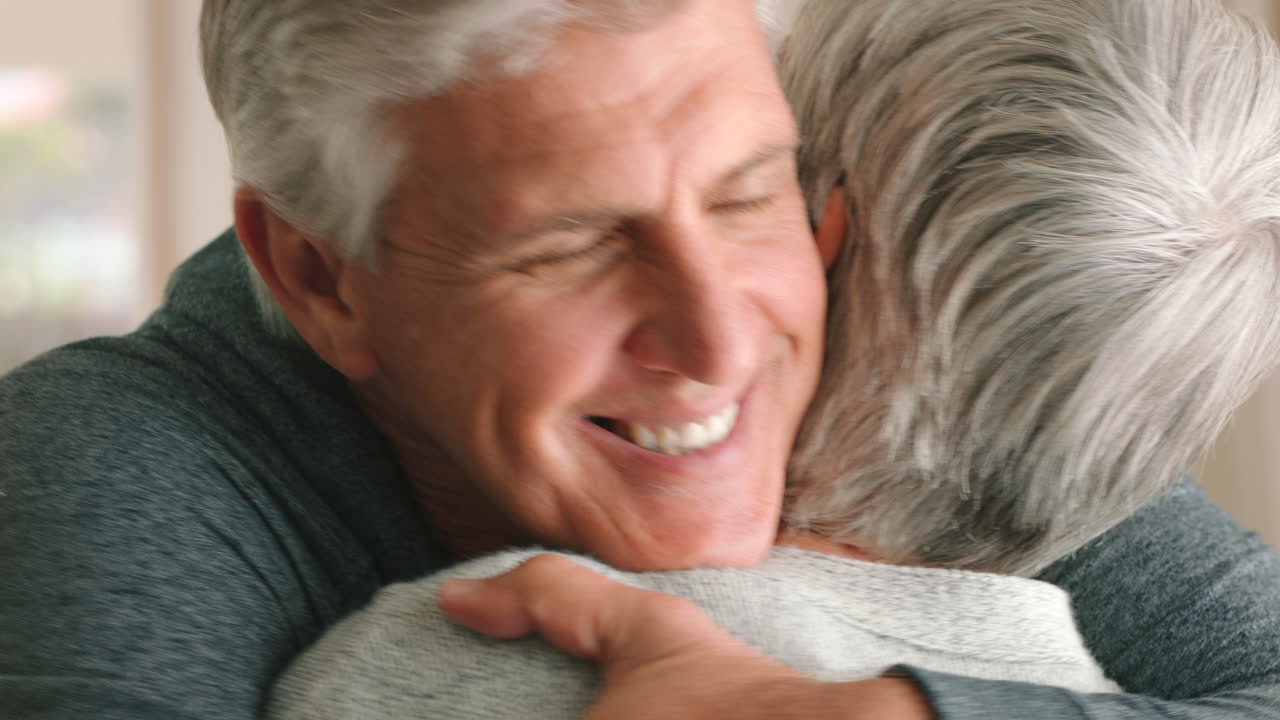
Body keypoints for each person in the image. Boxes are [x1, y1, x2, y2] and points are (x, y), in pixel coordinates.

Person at [0, 1, 1277, 719]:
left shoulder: (892, 377)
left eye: (743, 196)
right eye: (571, 243)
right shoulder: (114, 475)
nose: (721, 341)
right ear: (320, 277)